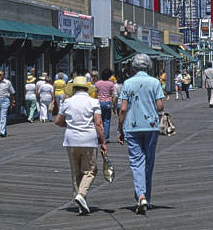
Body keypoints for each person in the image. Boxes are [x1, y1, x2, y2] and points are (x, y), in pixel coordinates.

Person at [117, 53, 165, 214]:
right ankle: (146, 198)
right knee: (149, 162)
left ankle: (141, 195)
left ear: (134, 67)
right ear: (149, 66)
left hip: (132, 126)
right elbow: (160, 107)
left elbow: (123, 108)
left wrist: (120, 128)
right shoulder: (155, 82)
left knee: (137, 162)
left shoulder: (128, 83)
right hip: (151, 126)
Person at [55, 76, 106, 215]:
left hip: (71, 139)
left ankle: (79, 203)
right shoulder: (93, 101)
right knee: (90, 170)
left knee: (76, 173)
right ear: (86, 89)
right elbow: (98, 123)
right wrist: (103, 141)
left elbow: (58, 121)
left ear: (74, 88)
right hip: (88, 140)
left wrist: (71, 125)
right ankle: (81, 195)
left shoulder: (67, 102)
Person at [94, 69, 115, 139]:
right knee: (107, 120)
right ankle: (105, 138)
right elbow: (112, 94)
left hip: (99, 103)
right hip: (107, 103)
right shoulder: (111, 84)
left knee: (99, 121)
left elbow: (95, 94)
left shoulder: (97, 83)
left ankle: (100, 136)